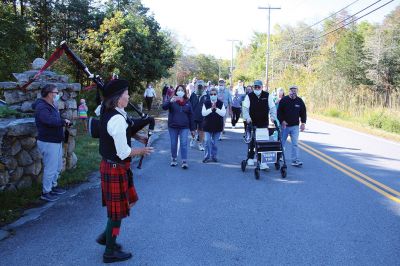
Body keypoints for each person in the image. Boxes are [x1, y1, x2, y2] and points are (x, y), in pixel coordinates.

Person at [97, 79, 154, 263]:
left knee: (125, 205)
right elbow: (124, 152)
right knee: (117, 214)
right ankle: (109, 251)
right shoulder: (115, 119)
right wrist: (143, 151)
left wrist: (138, 136)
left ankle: (107, 237)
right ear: (118, 98)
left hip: (113, 167)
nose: (129, 96)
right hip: (116, 166)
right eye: (126, 93)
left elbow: (123, 130)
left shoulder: (110, 112)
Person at [33, 84, 70, 202]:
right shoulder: (42, 107)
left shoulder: (50, 104)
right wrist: (63, 121)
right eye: (56, 92)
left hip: (55, 140)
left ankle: (53, 186)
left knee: (57, 166)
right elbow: (48, 120)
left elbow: (54, 119)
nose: (57, 94)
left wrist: (62, 121)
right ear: (49, 93)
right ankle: (46, 192)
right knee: (50, 167)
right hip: (48, 141)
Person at [242, 80, 277, 170]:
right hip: (252, 122)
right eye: (255, 87)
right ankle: (250, 157)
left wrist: (273, 117)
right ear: (253, 87)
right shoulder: (249, 96)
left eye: (259, 87)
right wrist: (247, 117)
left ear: (262, 87)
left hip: (263, 122)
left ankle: (263, 163)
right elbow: (245, 108)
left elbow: (272, 107)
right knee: (252, 141)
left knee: (263, 142)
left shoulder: (267, 95)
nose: (257, 88)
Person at [162, 85, 195, 169]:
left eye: (182, 90)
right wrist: (170, 101)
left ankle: (184, 161)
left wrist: (192, 129)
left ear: (184, 92)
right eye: (178, 90)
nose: (180, 91)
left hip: (184, 127)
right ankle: (174, 158)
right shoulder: (172, 100)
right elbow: (164, 107)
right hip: (173, 126)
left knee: (184, 143)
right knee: (174, 143)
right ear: (176, 91)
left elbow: (191, 116)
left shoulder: (187, 102)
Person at [277, 85, 307, 167]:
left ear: (297, 91)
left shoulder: (299, 101)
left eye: (295, 90)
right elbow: (279, 112)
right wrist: (282, 121)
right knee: (282, 142)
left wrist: (303, 123)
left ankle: (295, 160)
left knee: (295, 144)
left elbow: (303, 112)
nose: (293, 92)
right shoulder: (284, 100)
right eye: (292, 90)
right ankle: (280, 157)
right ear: (289, 91)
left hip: (295, 126)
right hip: (285, 126)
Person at [202, 87, 226, 163]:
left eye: (214, 94)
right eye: (211, 94)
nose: (213, 95)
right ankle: (206, 156)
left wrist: (216, 109)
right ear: (209, 95)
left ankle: (214, 156)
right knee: (207, 141)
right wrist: (211, 109)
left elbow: (223, 113)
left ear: (217, 95)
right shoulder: (206, 103)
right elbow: (203, 113)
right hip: (207, 125)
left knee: (215, 143)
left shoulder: (220, 103)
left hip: (217, 126)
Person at [189, 83, 207, 151]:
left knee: (201, 131)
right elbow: (190, 105)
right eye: (198, 87)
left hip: (203, 116)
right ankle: (193, 138)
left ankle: (200, 143)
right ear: (196, 87)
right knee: (193, 130)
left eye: (200, 87)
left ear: (203, 87)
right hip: (193, 116)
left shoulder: (206, 95)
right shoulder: (193, 94)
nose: (199, 88)